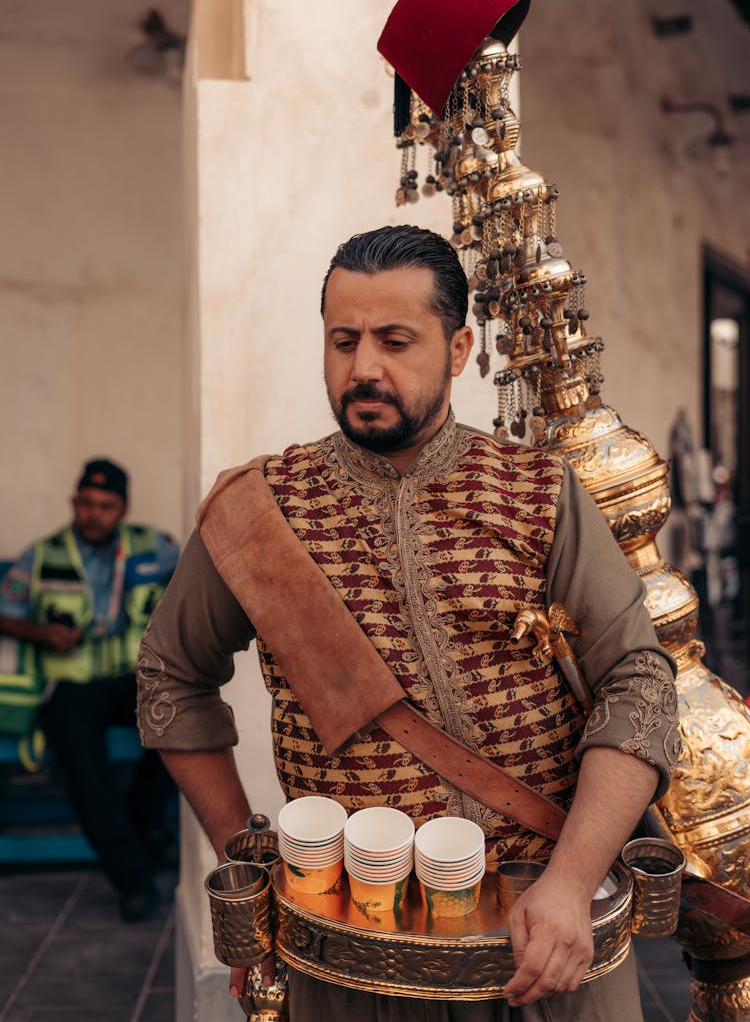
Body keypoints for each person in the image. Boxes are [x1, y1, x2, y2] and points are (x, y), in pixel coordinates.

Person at [136, 226, 681, 1019]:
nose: (363, 368)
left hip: (550, 941)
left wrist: (569, 882)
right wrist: (243, 853)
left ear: (458, 349)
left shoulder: (538, 492)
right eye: (343, 340)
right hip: (354, 953)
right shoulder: (263, 510)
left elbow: (638, 680)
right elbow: (169, 674)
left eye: (396, 341)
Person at [0, 458, 179, 922]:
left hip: (136, 677)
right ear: (73, 503)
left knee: (181, 717)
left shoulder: (153, 548)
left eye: (105, 505)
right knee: (80, 756)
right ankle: (133, 877)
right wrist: (42, 634)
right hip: (72, 684)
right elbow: (4, 610)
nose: (94, 513)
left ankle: (141, 828)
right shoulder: (42, 554)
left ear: (123, 509)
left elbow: (194, 591)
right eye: (86, 503)